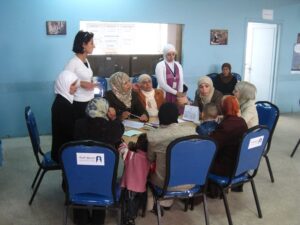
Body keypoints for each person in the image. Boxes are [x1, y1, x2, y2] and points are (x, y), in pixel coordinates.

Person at [73, 97, 125, 225]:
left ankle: (81, 219)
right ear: (105, 111)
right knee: (101, 173)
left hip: (77, 179)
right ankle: (98, 219)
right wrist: (114, 118)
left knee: (86, 171)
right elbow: (119, 129)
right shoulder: (111, 128)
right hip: (103, 182)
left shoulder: (78, 124)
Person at [147, 102, 197, 208]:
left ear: (159, 116)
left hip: (165, 184)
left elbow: (150, 158)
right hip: (192, 181)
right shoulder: (192, 131)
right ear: (177, 116)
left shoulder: (153, 136)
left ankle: (152, 203)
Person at [208, 96, 248, 196]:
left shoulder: (226, 126)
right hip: (240, 165)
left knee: (200, 156)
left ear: (222, 109)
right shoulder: (242, 122)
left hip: (225, 168)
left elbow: (211, 144)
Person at [64, 30, 96, 120]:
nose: (94, 46)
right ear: (83, 45)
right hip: (79, 104)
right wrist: (81, 83)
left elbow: (85, 76)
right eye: (91, 43)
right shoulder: (72, 63)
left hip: (89, 101)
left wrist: (91, 82)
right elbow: (64, 83)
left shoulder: (86, 61)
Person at [121, 133, 150, 225]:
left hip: (130, 187)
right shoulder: (149, 158)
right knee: (136, 202)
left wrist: (125, 144)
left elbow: (122, 150)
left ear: (138, 144)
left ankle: (129, 220)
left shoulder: (131, 155)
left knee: (128, 203)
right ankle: (134, 215)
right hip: (142, 187)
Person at [51, 70, 78, 163]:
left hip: (63, 147)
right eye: (73, 85)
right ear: (64, 84)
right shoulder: (63, 106)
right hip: (63, 152)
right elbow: (71, 133)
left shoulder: (62, 100)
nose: (76, 88)